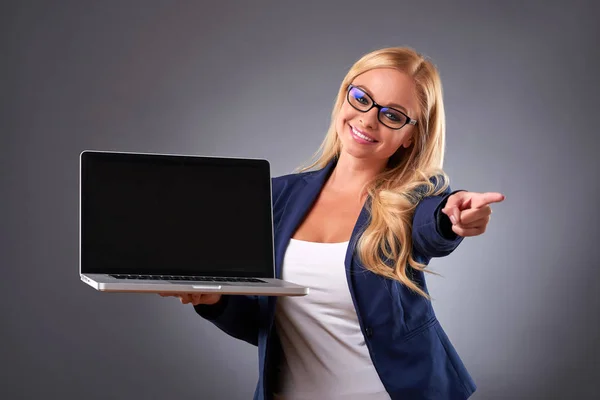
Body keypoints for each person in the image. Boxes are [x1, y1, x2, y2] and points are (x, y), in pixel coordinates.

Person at [161, 46, 504, 400]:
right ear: (344, 97)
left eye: (393, 115)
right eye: (362, 98)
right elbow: (268, 326)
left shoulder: (412, 202)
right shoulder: (277, 197)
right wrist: (213, 302)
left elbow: (431, 228)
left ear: (411, 136)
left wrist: (452, 219)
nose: (369, 119)